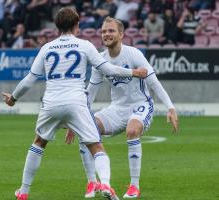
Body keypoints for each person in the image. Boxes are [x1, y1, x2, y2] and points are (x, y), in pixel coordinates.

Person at [2, 8, 148, 200]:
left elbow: (30, 79)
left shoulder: (47, 48)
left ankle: (23, 191)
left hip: (51, 102)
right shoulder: (84, 45)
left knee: (38, 142)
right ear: (77, 25)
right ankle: (104, 183)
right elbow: (108, 69)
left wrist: (13, 98)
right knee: (96, 147)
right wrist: (132, 72)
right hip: (76, 102)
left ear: (57, 27)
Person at [65, 17, 178, 199]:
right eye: (103, 31)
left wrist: (170, 108)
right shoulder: (100, 60)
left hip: (140, 105)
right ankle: (92, 182)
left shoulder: (133, 54)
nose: (106, 34)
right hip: (117, 109)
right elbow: (90, 92)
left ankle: (134, 186)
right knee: (86, 127)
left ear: (121, 34)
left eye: (111, 31)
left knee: (132, 130)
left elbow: (153, 82)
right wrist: (78, 118)